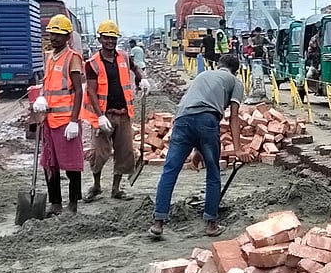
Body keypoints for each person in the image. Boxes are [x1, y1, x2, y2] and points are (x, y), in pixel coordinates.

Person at [149, 53, 256, 238]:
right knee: (213, 172)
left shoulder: (203, 75)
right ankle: (211, 224)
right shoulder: (235, 82)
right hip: (207, 119)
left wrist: (197, 150)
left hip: (181, 120)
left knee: (170, 170)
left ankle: (158, 222)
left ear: (219, 65)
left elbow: (193, 111)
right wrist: (238, 149)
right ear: (236, 71)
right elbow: (234, 117)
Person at [80, 19, 149, 201]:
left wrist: (141, 79)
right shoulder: (93, 63)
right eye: (106, 38)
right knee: (99, 152)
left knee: (124, 151)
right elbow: (92, 91)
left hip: (123, 113)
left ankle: (116, 189)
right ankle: (96, 186)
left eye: (113, 38)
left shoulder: (124, 57)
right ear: (100, 39)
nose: (110, 41)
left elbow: (136, 69)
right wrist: (100, 116)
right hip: (104, 115)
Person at [31, 15, 84, 214]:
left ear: (68, 37)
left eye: (59, 35)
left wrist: (74, 121)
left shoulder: (72, 57)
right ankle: (55, 202)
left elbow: (78, 91)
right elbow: (49, 85)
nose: (54, 38)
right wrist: (41, 98)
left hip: (66, 121)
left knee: (71, 164)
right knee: (49, 163)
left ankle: (73, 202)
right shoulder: (50, 57)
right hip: (49, 120)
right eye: (52, 34)